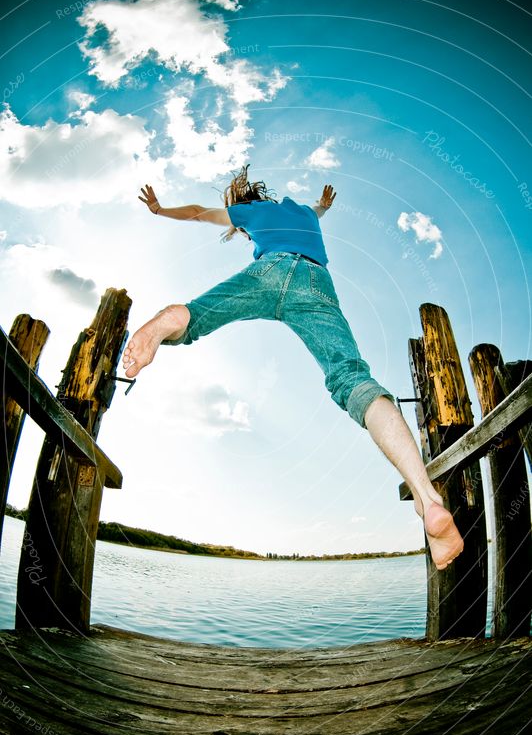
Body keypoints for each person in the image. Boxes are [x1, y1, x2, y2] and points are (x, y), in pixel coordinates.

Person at [123, 165, 463, 569]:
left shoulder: (249, 212)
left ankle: (177, 318)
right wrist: (323, 204)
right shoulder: (302, 211)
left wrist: (161, 210)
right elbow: (317, 211)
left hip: (268, 271)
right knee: (353, 379)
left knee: (197, 318)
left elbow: (199, 211)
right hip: (316, 282)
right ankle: (427, 499)